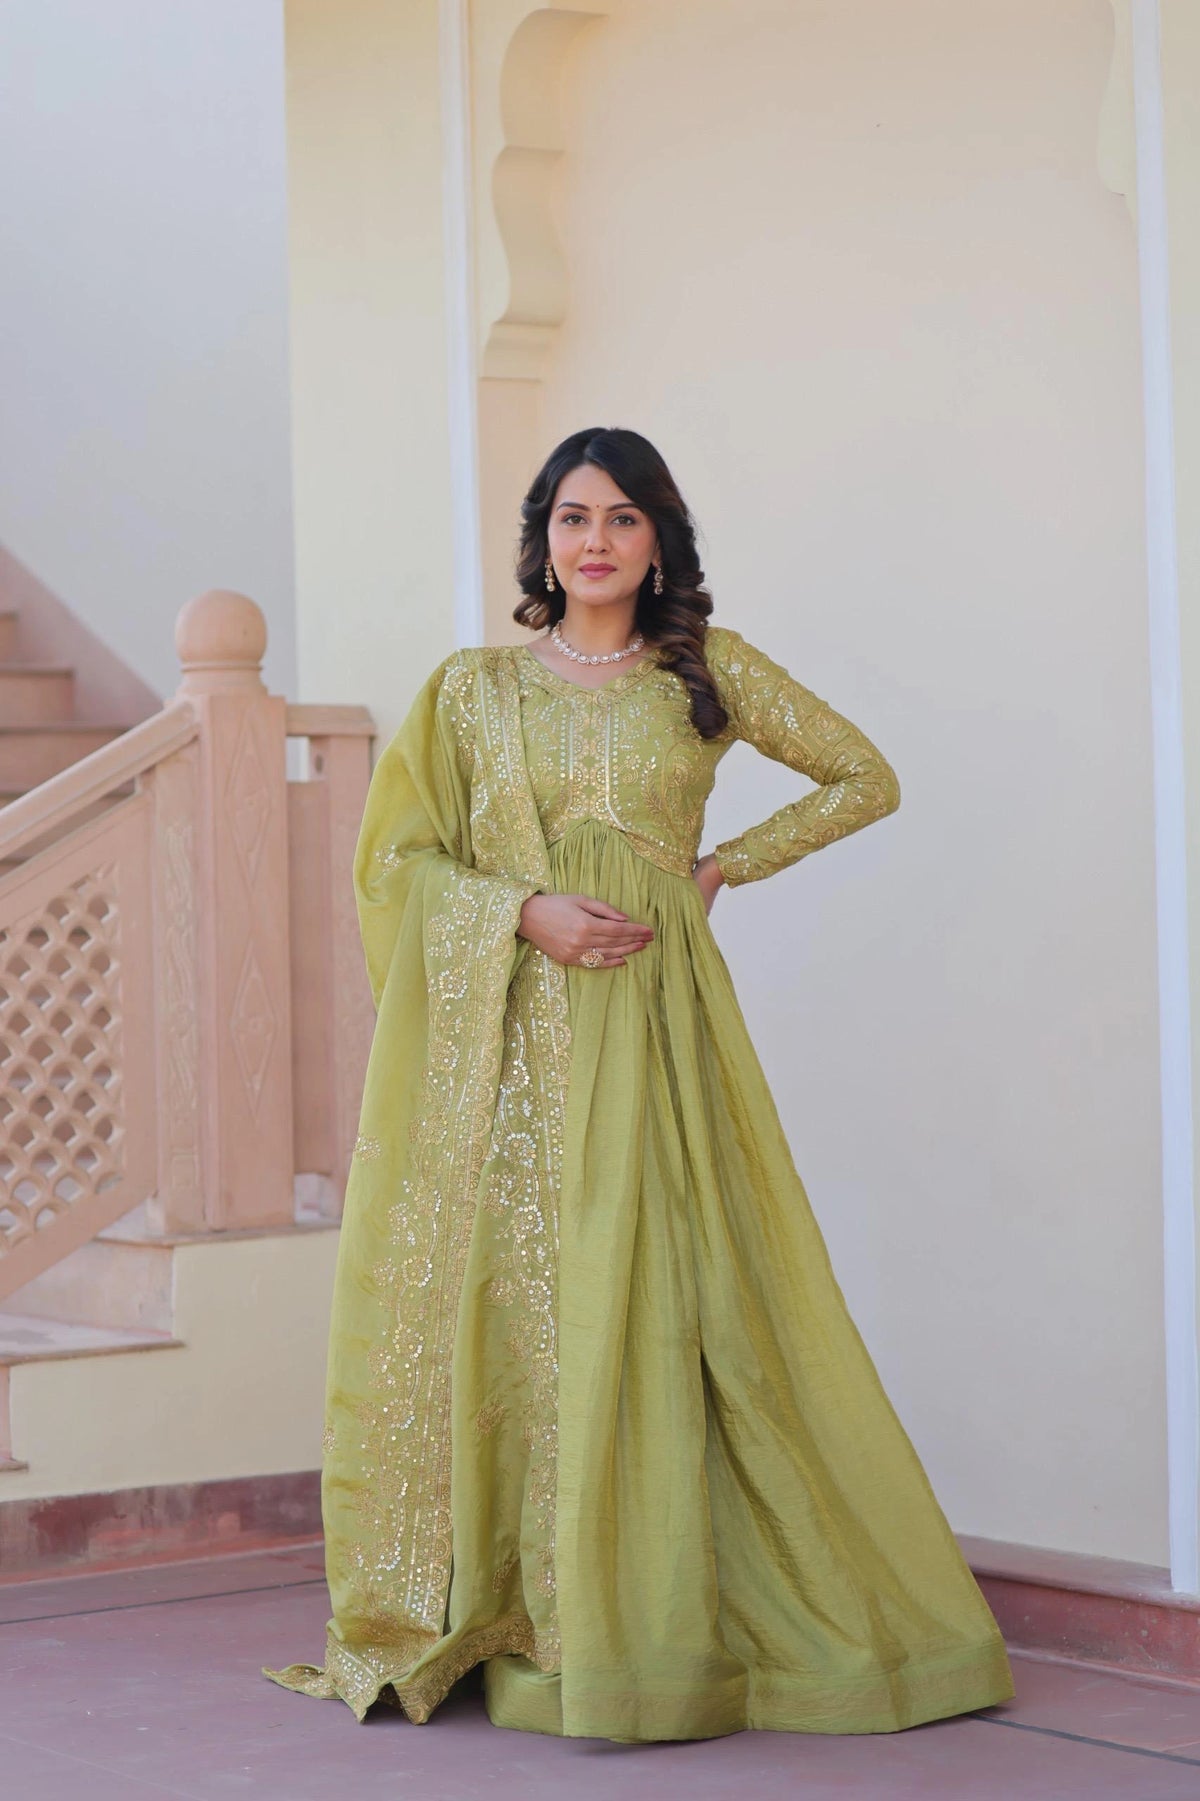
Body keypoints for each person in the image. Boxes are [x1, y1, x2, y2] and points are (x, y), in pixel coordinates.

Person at [265, 426, 1013, 1741]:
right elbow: (396, 865)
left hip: (662, 1032)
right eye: (570, 517)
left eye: (620, 518)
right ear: (541, 540)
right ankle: (530, 1615)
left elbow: (863, 775)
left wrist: (720, 867)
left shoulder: (703, 672)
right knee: (534, 1300)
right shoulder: (473, 691)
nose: (594, 540)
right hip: (515, 1052)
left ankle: (660, 1629)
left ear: (659, 537)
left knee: (683, 1289)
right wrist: (517, 913)